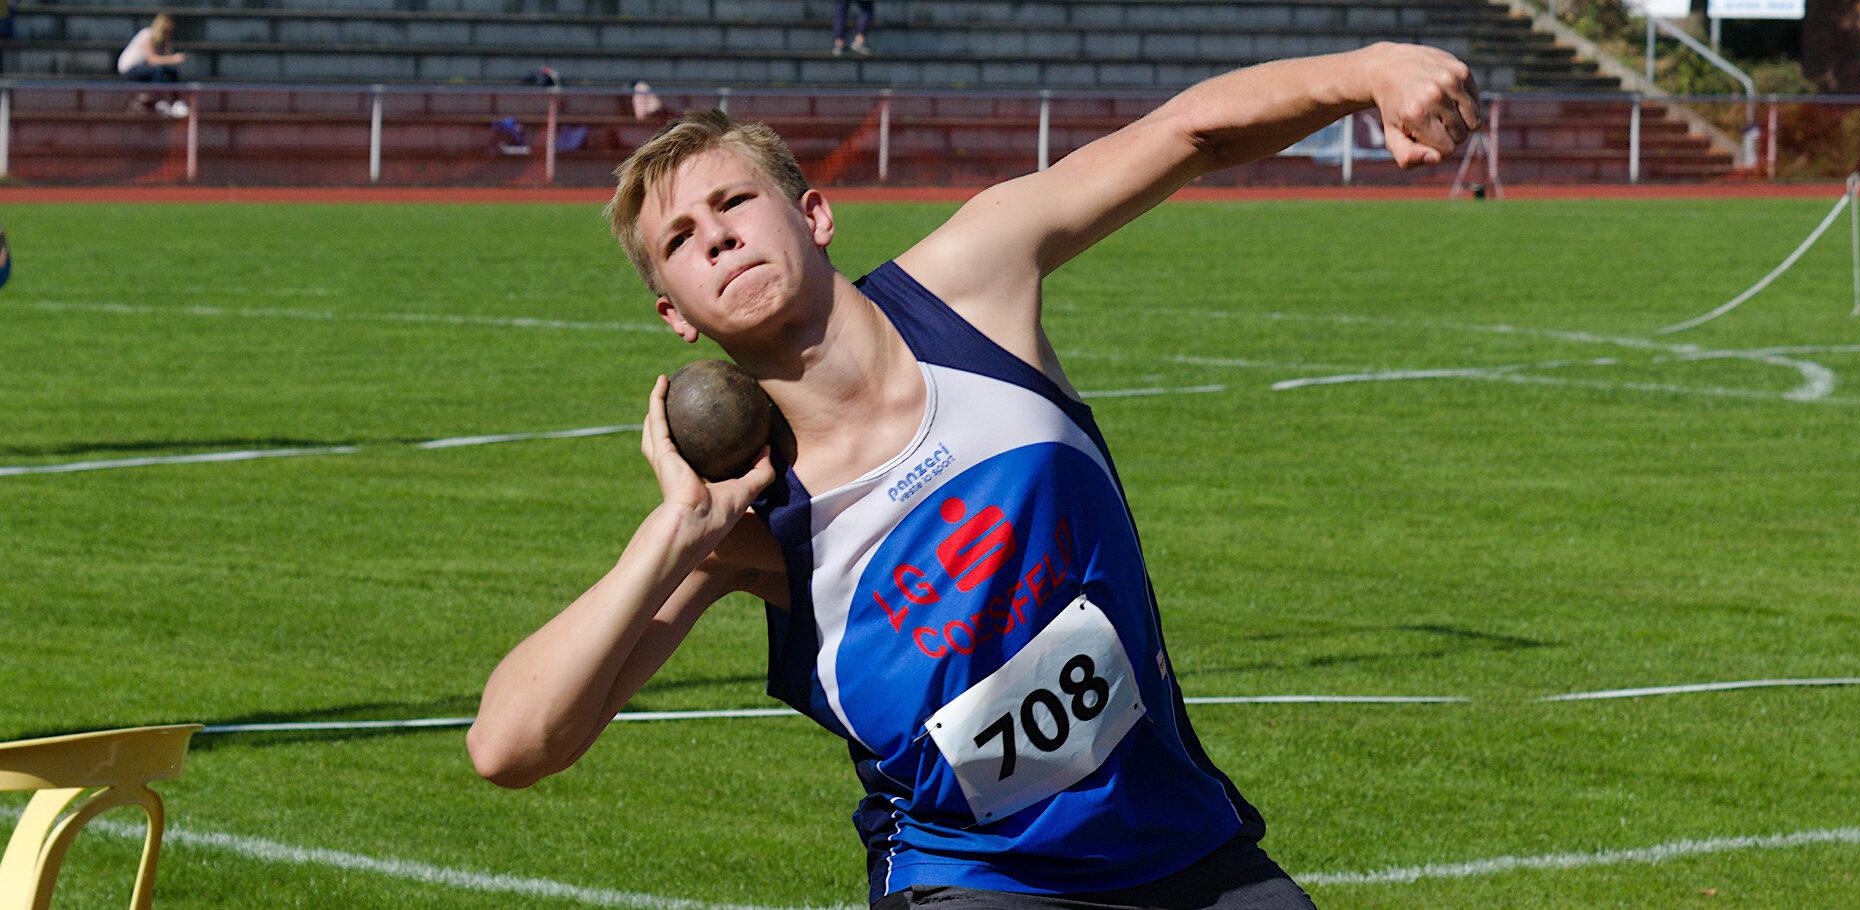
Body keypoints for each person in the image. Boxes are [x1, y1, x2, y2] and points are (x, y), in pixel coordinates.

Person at [468, 41, 1478, 907]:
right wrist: (672, 534)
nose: (718, 236)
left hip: (1185, 843)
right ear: (677, 315)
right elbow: (511, 746)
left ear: (813, 214)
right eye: (680, 241)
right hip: (974, 878)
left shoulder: (972, 285)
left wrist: (1368, 71)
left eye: (735, 201)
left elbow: (1188, 136)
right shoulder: (750, 516)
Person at [118, 13, 188, 117]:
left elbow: (164, 61)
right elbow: (153, 60)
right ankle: (158, 100)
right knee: (158, 70)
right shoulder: (147, 34)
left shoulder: (160, 41)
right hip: (130, 69)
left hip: (146, 69)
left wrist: (167, 42)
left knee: (171, 71)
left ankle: (176, 102)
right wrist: (174, 59)